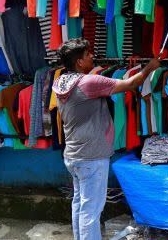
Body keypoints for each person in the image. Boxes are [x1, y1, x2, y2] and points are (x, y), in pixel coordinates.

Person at [52, 38, 160, 240]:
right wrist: (149, 68)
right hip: (91, 156)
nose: (92, 56)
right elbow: (132, 83)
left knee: (80, 203)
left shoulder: (61, 82)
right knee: (91, 210)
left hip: (74, 155)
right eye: (87, 54)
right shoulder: (89, 82)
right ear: (79, 62)